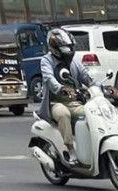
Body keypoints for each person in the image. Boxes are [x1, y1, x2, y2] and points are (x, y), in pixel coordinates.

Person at [37, 28, 94, 167]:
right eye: (64, 47)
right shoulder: (46, 61)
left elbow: (86, 78)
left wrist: (100, 87)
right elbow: (49, 78)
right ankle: (70, 149)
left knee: (91, 113)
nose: (67, 50)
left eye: (69, 47)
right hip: (55, 102)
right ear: (55, 47)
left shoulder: (74, 63)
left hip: (74, 102)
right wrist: (61, 89)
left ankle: (91, 146)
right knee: (63, 114)